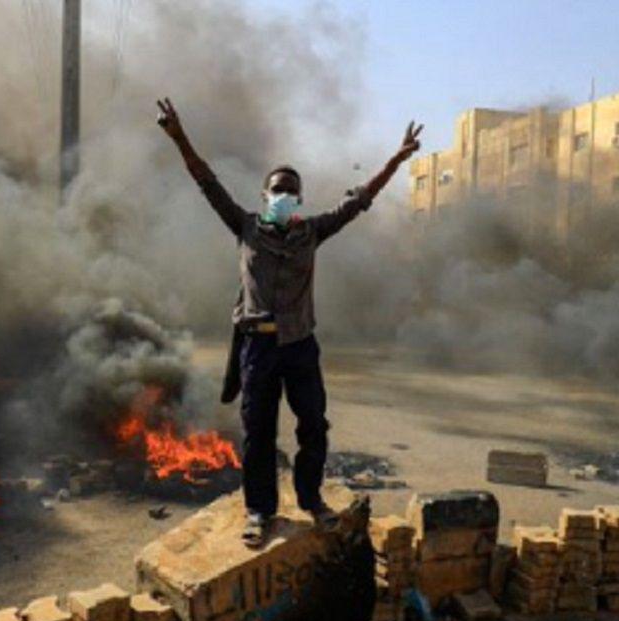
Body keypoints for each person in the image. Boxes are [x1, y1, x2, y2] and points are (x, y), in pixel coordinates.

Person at [156, 97, 423, 547]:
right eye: (276, 189)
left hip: (300, 347)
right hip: (257, 348)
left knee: (313, 426)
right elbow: (207, 181)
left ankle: (310, 499)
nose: (282, 195)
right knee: (259, 433)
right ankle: (259, 511)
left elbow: (360, 201)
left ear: (298, 199)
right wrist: (180, 137)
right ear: (265, 196)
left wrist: (396, 159)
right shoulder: (244, 226)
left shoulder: (311, 232)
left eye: (289, 190)